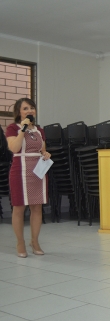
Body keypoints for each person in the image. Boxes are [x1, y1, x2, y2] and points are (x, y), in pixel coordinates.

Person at [6, 98, 51, 258]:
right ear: (19, 112)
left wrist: (45, 154)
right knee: (19, 208)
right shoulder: (12, 128)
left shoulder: (39, 130)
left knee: (37, 207)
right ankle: (20, 242)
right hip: (20, 171)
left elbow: (42, 149)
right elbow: (14, 148)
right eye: (26, 108)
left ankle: (35, 241)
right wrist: (23, 128)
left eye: (32, 108)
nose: (30, 111)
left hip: (37, 171)